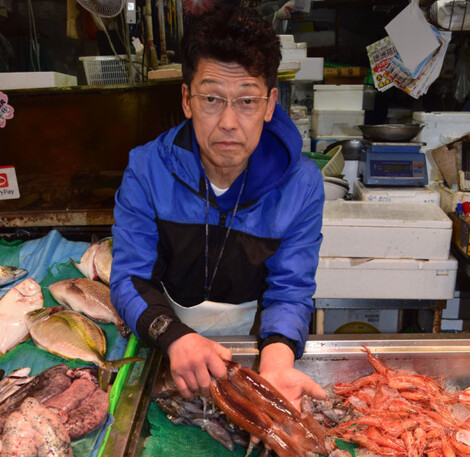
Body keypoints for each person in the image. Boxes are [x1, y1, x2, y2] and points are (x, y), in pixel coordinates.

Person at [110, 3, 326, 410]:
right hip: (166, 338)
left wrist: (277, 359)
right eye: (212, 98)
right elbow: (129, 279)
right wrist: (173, 335)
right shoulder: (146, 169)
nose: (228, 121)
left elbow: (291, 288)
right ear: (187, 100)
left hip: (255, 344)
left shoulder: (301, 184)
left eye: (246, 101)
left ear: (269, 104)